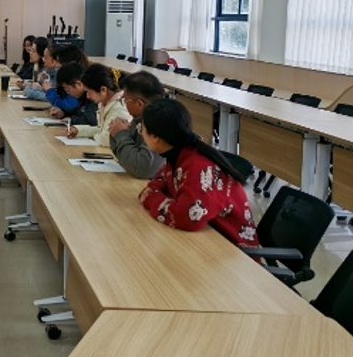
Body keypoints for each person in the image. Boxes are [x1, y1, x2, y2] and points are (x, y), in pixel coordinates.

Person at [138, 99, 259, 247]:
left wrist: (151, 198)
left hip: (232, 249)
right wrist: (155, 194)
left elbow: (187, 217)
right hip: (207, 238)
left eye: (141, 129)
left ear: (155, 137)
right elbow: (161, 179)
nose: (141, 134)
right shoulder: (180, 151)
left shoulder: (197, 166)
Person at [107, 71, 168, 179]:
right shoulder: (139, 120)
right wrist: (115, 132)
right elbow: (124, 159)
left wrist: (121, 134)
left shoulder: (160, 124)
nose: (124, 104)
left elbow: (141, 169)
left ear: (139, 104)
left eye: (125, 100)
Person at [65, 63, 131, 147]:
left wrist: (95, 136)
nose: (88, 96)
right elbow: (101, 130)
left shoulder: (120, 108)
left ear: (103, 90)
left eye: (89, 92)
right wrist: (79, 130)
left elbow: (106, 139)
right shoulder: (104, 103)